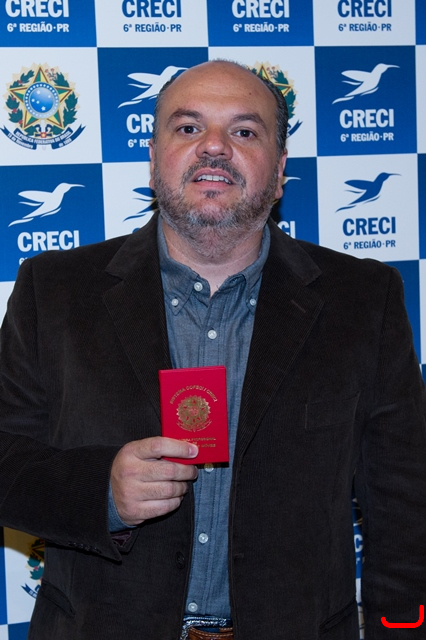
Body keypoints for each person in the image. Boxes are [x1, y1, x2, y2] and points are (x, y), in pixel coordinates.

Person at [0, 60, 425, 640]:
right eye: (189, 127)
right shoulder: (53, 290)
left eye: (244, 131)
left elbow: (405, 505)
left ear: (280, 170)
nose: (215, 147)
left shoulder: (365, 299)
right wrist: (102, 490)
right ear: (154, 160)